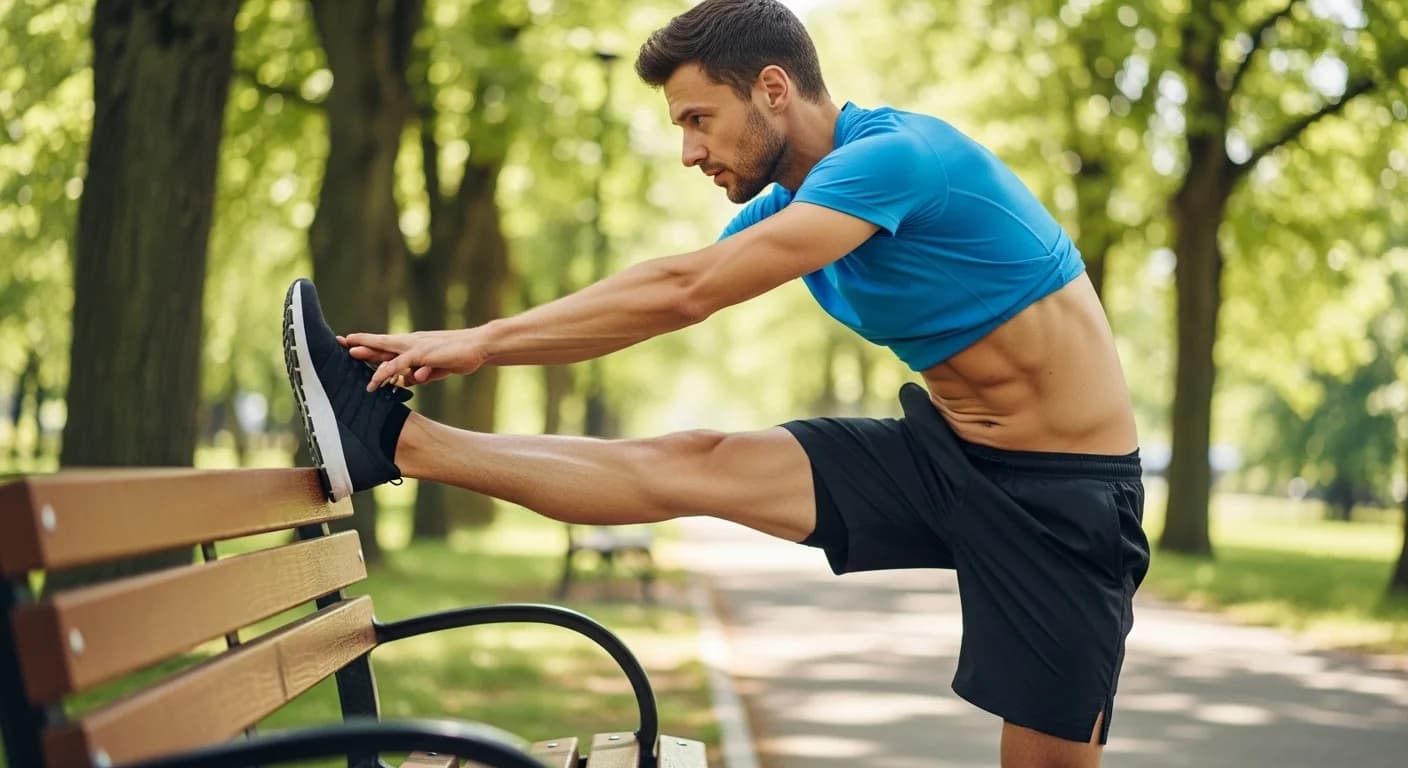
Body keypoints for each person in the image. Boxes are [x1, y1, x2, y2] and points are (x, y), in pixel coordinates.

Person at [282, 1, 1150, 765]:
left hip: (1063, 498)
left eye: (700, 119)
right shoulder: (794, 201)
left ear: (774, 88)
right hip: (947, 453)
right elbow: (658, 289)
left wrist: (481, 341)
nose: (691, 151)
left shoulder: (897, 158)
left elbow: (685, 294)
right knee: (691, 459)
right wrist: (481, 342)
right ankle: (393, 442)